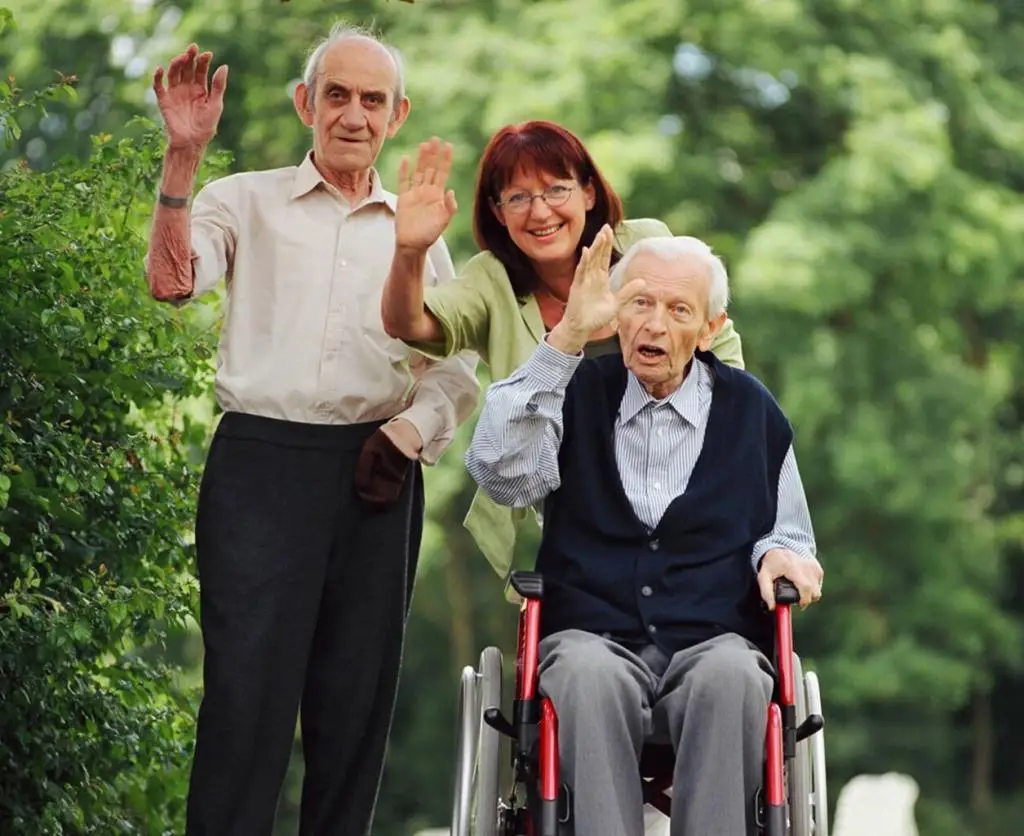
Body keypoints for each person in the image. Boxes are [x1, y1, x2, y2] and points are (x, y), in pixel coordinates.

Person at [145, 23, 478, 836]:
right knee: (245, 698)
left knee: (354, 707)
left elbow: (456, 372)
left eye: (373, 100)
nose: (353, 115)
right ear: (305, 104)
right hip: (261, 464)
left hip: (377, 471)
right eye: (337, 95)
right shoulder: (240, 200)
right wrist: (183, 158)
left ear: (398, 116)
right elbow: (169, 283)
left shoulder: (420, 229)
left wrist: (409, 435)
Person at [464, 230, 825, 835]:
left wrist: (784, 553)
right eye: (639, 302)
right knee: (586, 673)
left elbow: (786, 528)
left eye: (678, 309)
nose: (654, 324)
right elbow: (504, 479)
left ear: (711, 329)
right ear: (615, 310)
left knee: (734, 675)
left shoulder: (752, 411)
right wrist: (566, 339)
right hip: (590, 636)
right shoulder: (573, 391)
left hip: (715, 637)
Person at [381, 122, 745, 581]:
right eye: (518, 197)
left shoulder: (645, 246)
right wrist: (410, 251)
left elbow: (717, 346)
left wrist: (727, 453)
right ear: (497, 211)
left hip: (678, 485)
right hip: (569, 513)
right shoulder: (493, 281)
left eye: (556, 189)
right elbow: (406, 323)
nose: (539, 212)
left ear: (588, 192)